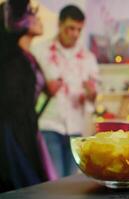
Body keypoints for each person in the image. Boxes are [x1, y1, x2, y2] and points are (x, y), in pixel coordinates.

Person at [32, 5, 98, 178]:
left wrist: (91, 93)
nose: (75, 34)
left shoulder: (88, 57)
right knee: (53, 179)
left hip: (76, 126)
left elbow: (94, 96)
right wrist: (45, 89)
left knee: (70, 179)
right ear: (60, 25)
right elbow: (27, 90)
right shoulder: (39, 50)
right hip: (48, 123)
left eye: (79, 29)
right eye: (70, 28)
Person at [0, 0, 60, 191]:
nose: (39, 19)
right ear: (20, 21)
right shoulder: (13, 60)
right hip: (15, 135)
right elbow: (13, 103)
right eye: (32, 14)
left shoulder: (26, 57)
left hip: (26, 129)